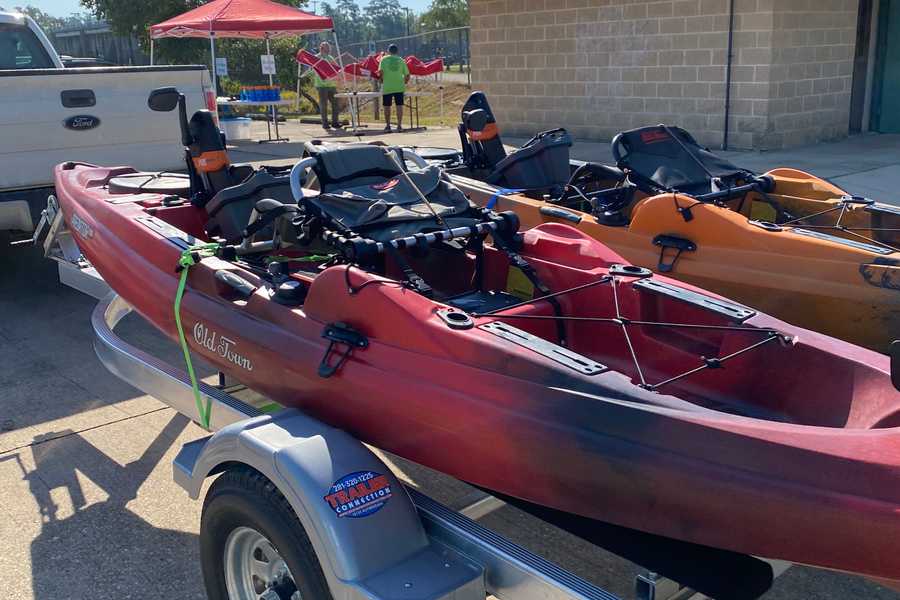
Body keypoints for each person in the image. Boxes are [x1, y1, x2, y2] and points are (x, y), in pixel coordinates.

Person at [378, 44, 410, 133]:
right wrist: (405, 82)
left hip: (387, 86)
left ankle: (388, 126)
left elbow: (380, 72)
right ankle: (399, 126)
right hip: (399, 86)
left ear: (388, 51)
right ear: (397, 51)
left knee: (387, 106)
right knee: (399, 106)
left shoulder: (383, 59)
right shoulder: (401, 60)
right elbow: (407, 75)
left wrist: (381, 80)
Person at [313, 41, 340, 130]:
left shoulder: (330, 57)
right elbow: (313, 69)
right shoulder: (316, 58)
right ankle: (325, 123)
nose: (329, 49)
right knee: (323, 105)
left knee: (335, 104)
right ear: (321, 48)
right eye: (327, 47)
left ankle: (335, 122)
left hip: (331, 84)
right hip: (321, 85)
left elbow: (336, 68)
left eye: (329, 47)